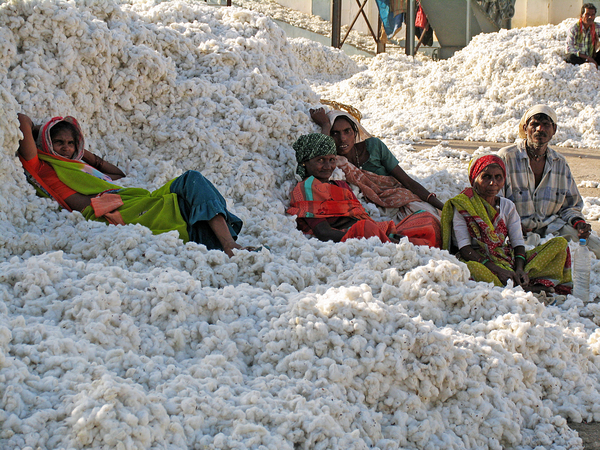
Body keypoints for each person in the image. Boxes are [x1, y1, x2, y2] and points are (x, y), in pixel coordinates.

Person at [17, 113, 249, 257]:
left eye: (70, 143)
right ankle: (227, 243)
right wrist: (40, 129)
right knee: (187, 198)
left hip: (129, 200)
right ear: (46, 142)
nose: (65, 148)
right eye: (58, 142)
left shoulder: (80, 168)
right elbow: (22, 120)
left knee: (192, 181)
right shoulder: (42, 167)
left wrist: (80, 152)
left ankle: (226, 243)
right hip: (111, 210)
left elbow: (116, 174)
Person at [441, 154, 572, 295]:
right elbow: (465, 248)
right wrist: (499, 271)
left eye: (498, 177)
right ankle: (523, 288)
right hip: (481, 262)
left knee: (560, 244)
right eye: (486, 177)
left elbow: (517, 242)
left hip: (506, 259)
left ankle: (519, 281)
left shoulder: (507, 206)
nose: (493, 183)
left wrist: (520, 270)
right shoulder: (463, 205)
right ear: (474, 180)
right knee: (471, 268)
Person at [287, 133, 441, 247]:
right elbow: (323, 232)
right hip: (352, 236)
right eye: (320, 160)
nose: (327, 166)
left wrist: (385, 234)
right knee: (365, 228)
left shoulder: (341, 185)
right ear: (305, 162)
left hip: (371, 231)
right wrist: (374, 240)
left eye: (331, 160)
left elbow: (363, 218)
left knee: (426, 219)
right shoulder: (307, 187)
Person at [497, 105, 600, 258]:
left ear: (554, 130)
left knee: (595, 248)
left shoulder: (560, 163)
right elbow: (494, 201)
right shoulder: (506, 157)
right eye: (534, 124)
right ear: (525, 128)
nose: (540, 129)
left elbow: (571, 205)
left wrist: (578, 222)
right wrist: (510, 224)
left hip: (553, 229)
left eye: (546, 124)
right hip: (516, 231)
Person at [310, 107, 444, 221]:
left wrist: (441, 206)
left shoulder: (374, 146)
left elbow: (406, 181)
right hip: (371, 212)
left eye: (347, 131)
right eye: (335, 133)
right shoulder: (336, 162)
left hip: (398, 200)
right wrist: (325, 126)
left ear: (355, 132)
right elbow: (319, 162)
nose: (342, 138)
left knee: (428, 218)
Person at [565, 3, 600, 67]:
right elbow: (569, 48)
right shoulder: (574, 28)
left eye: (593, 15)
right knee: (570, 57)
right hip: (580, 58)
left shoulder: (597, 27)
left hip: (592, 57)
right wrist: (588, 58)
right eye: (587, 14)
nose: (590, 17)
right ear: (581, 15)